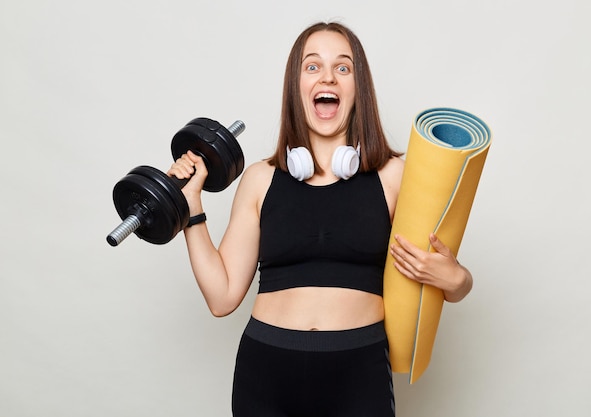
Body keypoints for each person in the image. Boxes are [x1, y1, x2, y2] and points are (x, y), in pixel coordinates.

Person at [167, 21, 473, 417]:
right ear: (296, 88)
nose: (327, 76)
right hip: (266, 370)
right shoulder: (260, 179)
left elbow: (449, 278)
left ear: (357, 89)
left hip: (358, 369)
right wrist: (192, 204)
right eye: (312, 67)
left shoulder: (395, 176)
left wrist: (457, 280)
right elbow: (222, 297)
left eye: (342, 68)